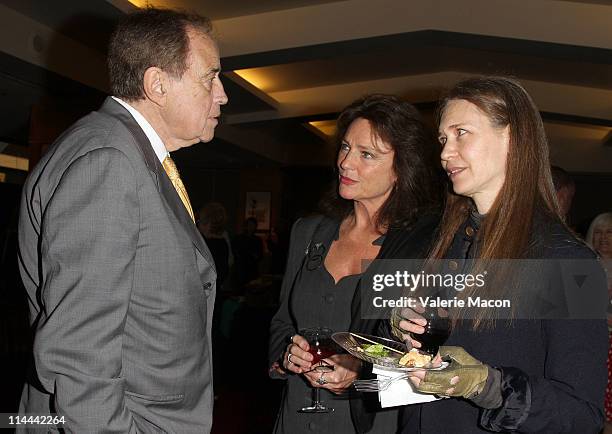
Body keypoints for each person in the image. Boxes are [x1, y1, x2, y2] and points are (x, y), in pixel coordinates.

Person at [17, 8, 227, 433]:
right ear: (157, 85)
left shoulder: (128, 153)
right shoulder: (108, 163)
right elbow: (79, 357)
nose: (221, 94)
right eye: (210, 77)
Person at [391, 76, 608, 433]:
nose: (445, 152)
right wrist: (407, 326)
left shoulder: (568, 261)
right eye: (443, 139)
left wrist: (488, 386)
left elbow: (582, 415)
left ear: (512, 137)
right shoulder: (448, 242)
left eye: (462, 133)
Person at [268, 94, 443, 434]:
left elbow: (434, 361)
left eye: (367, 155)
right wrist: (288, 355)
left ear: (402, 169)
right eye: (346, 147)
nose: (346, 163)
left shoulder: (425, 246)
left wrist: (361, 375)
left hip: (374, 423)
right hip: (296, 415)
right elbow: (282, 322)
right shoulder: (308, 232)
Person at [586, 212, 612, 431]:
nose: (603, 238)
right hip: (596, 341)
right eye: (598, 232)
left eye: (609, 232)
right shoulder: (584, 264)